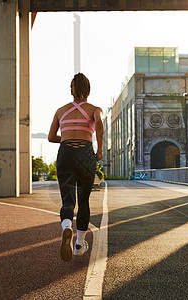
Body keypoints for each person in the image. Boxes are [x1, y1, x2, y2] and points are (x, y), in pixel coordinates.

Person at [48, 73, 104, 262]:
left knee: (67, 200)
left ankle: (66, 228)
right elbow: (100, 125)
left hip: (65, 154)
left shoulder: (60, 111)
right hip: (85, 154)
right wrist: (100, 149)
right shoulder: (94, 109)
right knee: (84, 200)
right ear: (88, 91)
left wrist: (66, 138)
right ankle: (79, 243)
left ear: (71, 90)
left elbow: (50, 137)